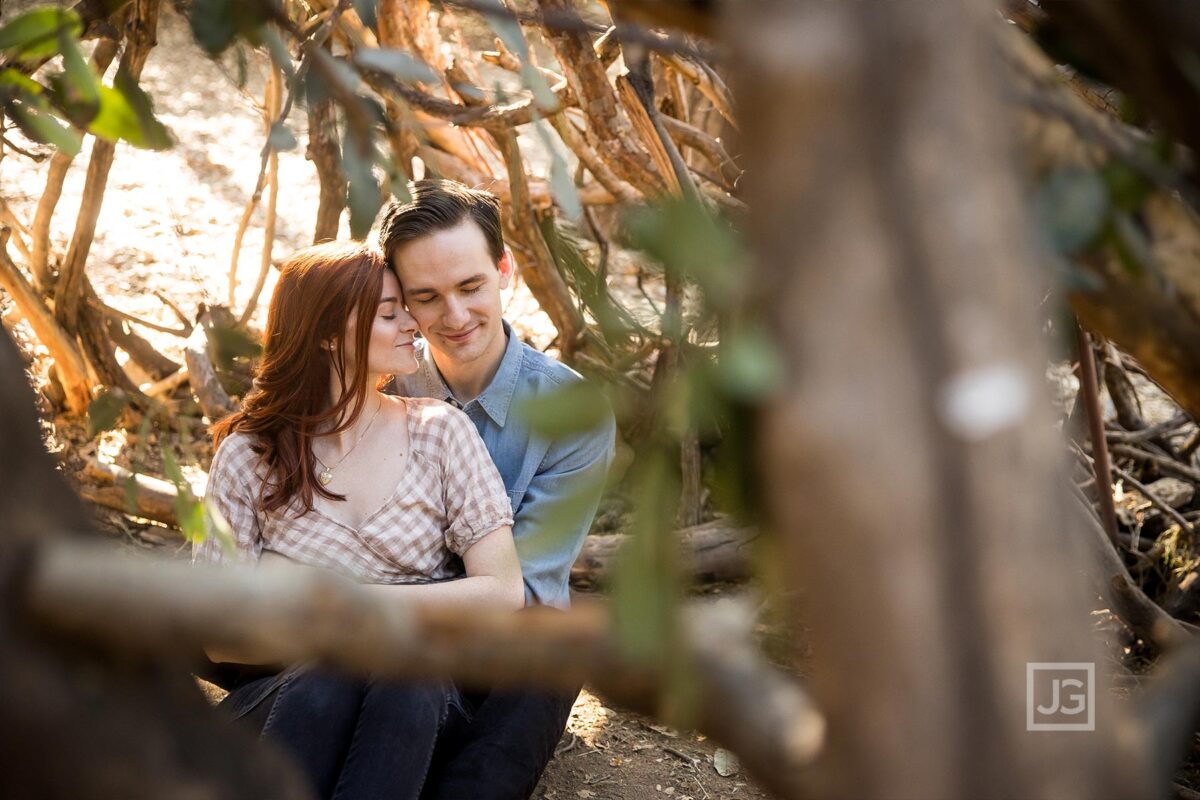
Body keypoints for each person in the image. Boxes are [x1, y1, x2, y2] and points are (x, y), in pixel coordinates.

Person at [194, 241, 524, 800]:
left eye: (406, 308)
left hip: (413, 711)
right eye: (388, 313)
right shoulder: (250, 456)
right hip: (286, 700)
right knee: (326, 679)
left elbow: (502, 591)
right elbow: (220, 636)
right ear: (326, 333)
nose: (413, 323)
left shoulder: (441, 433)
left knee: (408, 677)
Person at [379, 179, 617, 799]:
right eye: (426, 297)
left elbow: (526, 589)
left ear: (504, 270)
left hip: (501, 648)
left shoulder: (573, 411)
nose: (455, 318)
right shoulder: (378, 385)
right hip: (379, 634)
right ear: (399, 301)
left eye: (470, 286)